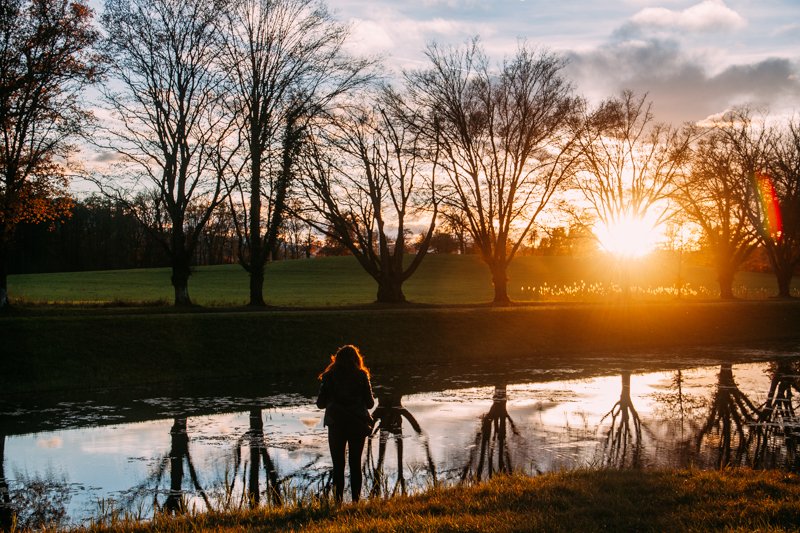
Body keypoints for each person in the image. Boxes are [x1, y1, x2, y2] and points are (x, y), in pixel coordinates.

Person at [316, 344, 375, 502]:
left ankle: (338, 502)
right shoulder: (362, 375)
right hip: (357, 425)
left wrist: (332, 400)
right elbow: (370, 404)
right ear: (357, 359)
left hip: (336, 425)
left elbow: (320, 404)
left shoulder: (328, 377)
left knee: (338, 466)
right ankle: (356, 501)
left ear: (337, 360)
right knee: (355, 465)